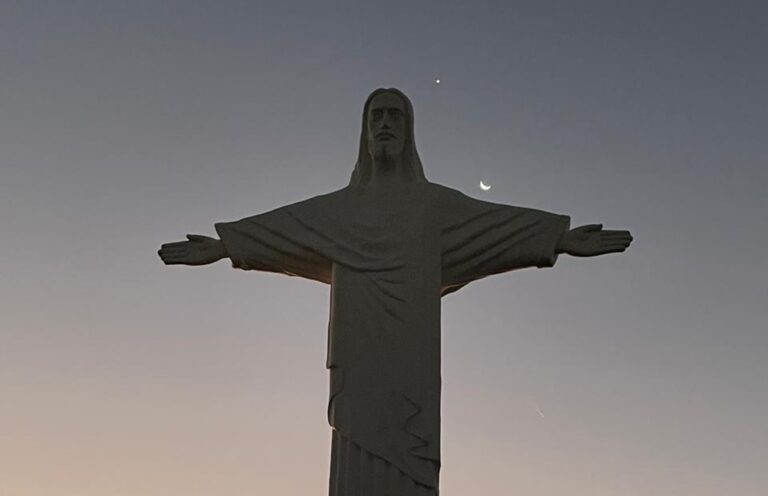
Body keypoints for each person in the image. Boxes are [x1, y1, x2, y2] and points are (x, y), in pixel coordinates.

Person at [158, 88, 633, 495]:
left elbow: (495, 226)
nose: (385, 124)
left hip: (412, 369)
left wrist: (558, 239)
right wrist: (227, 245)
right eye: (376, 116)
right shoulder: (340, 211)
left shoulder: (433, 208)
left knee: (409, 461)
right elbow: (288, 228)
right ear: (364, 133)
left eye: (394, 115)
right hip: (358, 366)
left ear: (409, 131)